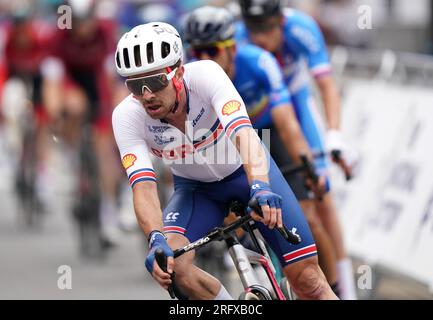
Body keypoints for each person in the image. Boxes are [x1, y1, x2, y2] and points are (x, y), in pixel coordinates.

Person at [112, 22, 338, 300]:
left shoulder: (206, 75)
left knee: (309, 281)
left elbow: (245, 135)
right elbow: (143, 186)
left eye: (156, 81)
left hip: (247, 173)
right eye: (136, 85)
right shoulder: (126, 116)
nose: (147, 95)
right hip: (196, 191)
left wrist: (260, 187)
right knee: (174, 269)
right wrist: (155, 237)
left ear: (179, 73)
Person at [183, 5, 340, 293]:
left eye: (213, 51)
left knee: (311, 220)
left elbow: (288, 123)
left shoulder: (258, 61)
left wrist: (309, 166)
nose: (205, 60)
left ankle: (336, 289)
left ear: (232, 47)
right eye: (197, 52)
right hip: (229, 146)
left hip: (270, 135)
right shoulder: (190, 80)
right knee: (236, 220)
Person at [236, 0, 357, 299]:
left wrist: (334, 135)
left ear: (282, 20)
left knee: (321, 197)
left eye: (267, 28)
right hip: (257, 122)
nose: (261, 38)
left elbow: (326, 84)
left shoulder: (301, 28)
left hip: (296, 107)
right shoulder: (236, 38)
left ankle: (345, 289)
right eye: (254, 30)